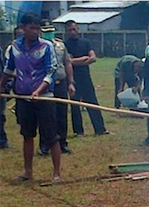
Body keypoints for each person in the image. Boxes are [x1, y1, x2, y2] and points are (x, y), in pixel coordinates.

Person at [0, 12, 60, 182]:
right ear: (23, 28)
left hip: (45, 98)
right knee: (27, 134)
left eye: (37, 28)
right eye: (31, 28)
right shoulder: (14, 47)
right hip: (23, 98)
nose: (35, 32)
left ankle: (56, 173)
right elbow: (8, 70)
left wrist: (39, 91)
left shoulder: (46, 47)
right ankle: (28, 172)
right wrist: (1, 86)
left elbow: (51, 72)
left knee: (51, 136)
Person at [64, 20, 110, 136]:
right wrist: (84, 58)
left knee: (93, 103)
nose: (72, 32)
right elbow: (68, 61)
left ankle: (100, 129)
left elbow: (93, 58)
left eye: (74, 29)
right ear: (66, 31)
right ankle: (78, 131)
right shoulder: (65, 45)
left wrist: (78, 61)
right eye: (70, 30)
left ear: (78, 29)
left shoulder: (85, 42)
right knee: (75, 105)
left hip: (85, 77)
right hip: (72, 79)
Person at [39, 20, 76, 155]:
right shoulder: (38, 47)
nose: (49, 33)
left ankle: (62, 143)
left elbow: (67, 63)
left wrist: (71, 82)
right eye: (46, 30)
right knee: (46, 116)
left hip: (61, 83)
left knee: (62, 114)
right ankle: (45, 145)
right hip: (45, 85)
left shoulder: (61, 45)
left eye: (51, 30)